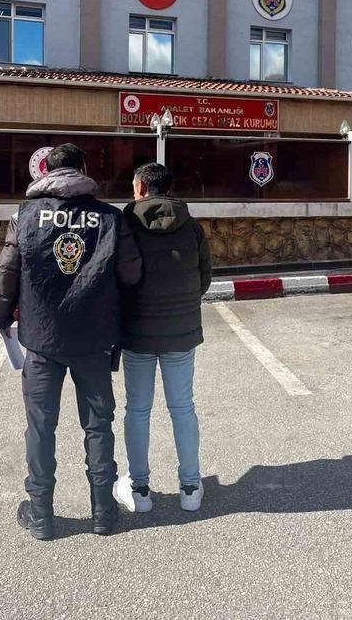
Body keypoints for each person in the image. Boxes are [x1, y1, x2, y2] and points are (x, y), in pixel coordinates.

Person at [0, 143, 142, 540]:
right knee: (98, 425)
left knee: (40, 427)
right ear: (83, 170)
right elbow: (131, 274)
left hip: (42, 340)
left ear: (46, 172)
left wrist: (0, 317)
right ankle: (103, 513)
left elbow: (8, 271)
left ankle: (41, 515)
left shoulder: (24, 215)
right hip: (93, 338)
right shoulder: (109, 217)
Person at [113, 162, 211, 514]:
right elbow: (204, 279)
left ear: (140, 187)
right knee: (183, 408)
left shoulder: (125, 225)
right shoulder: (192, 226)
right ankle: (190, 487)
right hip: (181, 332)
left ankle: (139, 489)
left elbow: (116, 276)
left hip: (137, 332)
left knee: (137, 410)